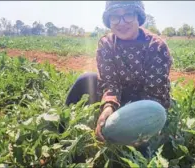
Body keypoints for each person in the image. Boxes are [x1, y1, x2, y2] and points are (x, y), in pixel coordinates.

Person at [65, 0, 173, 155]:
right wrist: (108, 106)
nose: (121, 23)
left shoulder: (155, 46)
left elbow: (153, 94)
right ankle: (61, 137)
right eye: (115, 17)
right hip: (118, 94)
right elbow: (110, 82)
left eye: (128, 15)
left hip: (144, 99)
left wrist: (137, 121)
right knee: (85, 80)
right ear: (109, 21)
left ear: (138, 17)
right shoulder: (106, 43)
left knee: (140, 150)